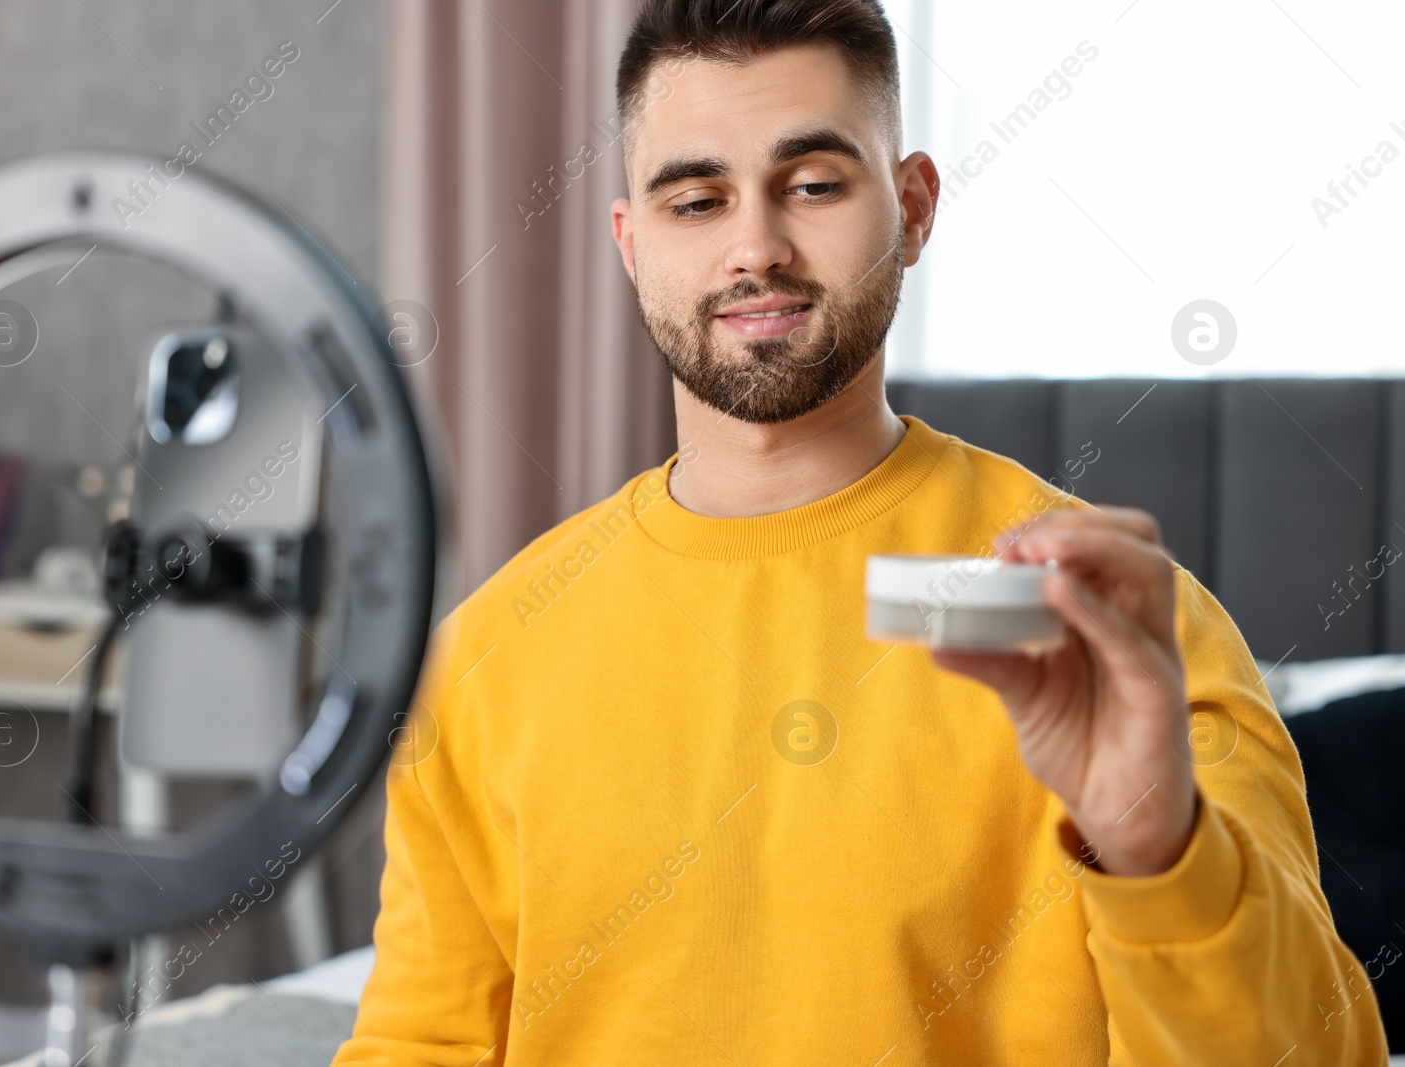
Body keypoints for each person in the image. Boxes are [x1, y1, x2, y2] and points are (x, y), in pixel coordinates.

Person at [334, 0, 1389, 1062]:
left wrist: (1157, 847)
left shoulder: (1111, 633)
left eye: (813, 185)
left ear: (914, 206)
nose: (755, 246)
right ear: (630, 242)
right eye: (696, 200)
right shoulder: (485, 658)